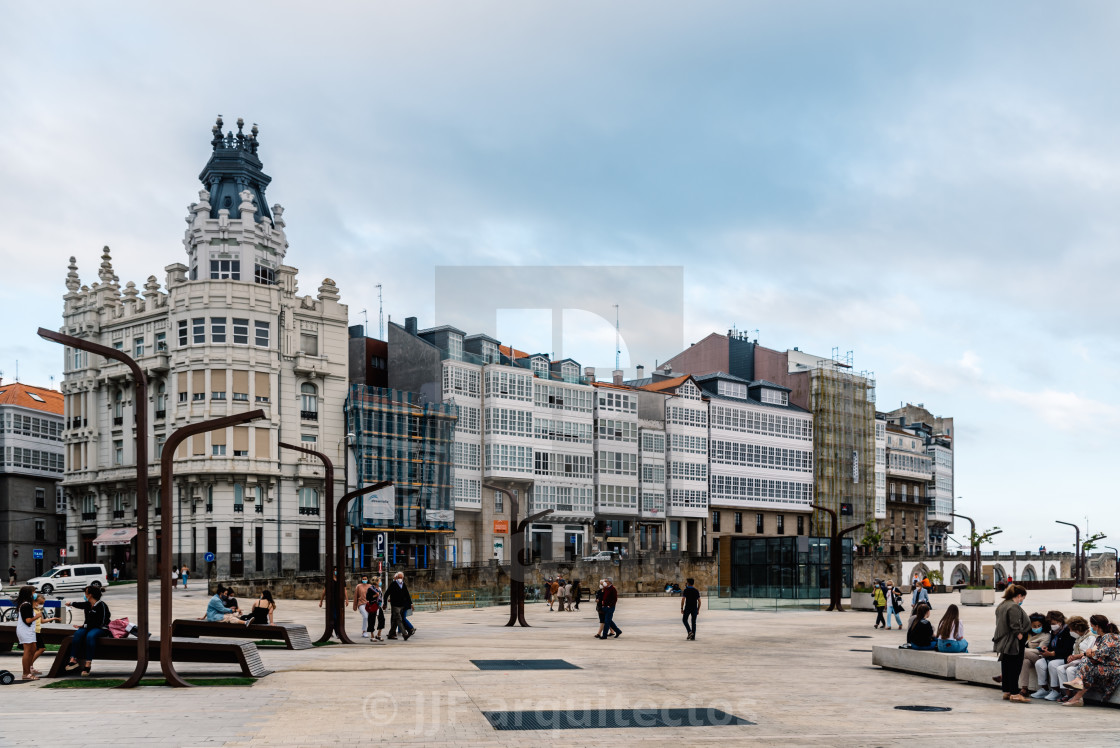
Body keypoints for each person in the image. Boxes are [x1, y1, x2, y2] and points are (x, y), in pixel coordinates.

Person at [1062, 614, 1120, 707]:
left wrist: (1087, 653)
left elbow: (1101, 653)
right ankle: (1077, 696)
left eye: (1092, 626)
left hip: (1113, 668)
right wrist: (1088, 653)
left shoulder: (1111, 637)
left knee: (1087, 664)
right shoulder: (1099, 638)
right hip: (1103, 666)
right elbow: (1094, 654)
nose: (1091, 628)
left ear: (1097, 626)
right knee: (1087, 666)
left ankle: (1077, 687)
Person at [993, 583, 1031, 703]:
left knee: (1006, 666)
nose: (1022, 600)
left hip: (1004, 641)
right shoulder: (1013, 606)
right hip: (1013, 641)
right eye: (1023, 598)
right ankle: (1015, 693)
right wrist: (1020, 635)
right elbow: (1015, 624)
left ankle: (1007, 691)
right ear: (1019, 595)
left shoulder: (1002, 605)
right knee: (1015, 667)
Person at [64, 584, 112, 677]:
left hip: (101, 628)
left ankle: (88, 663)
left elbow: (101, 622)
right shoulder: (87, 604)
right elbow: (80, 605)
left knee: (90, 636)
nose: (84, 595)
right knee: (78, 633)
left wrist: (84, 625)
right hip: (88, 627)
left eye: (85, 593)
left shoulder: (102, 606)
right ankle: (73, 659)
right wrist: (70, 603)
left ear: (90, 595)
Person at [1032, 610, 1074, 700]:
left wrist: (1052, 653)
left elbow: (1067, 649)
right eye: (1051, 623)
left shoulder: (1067, 631)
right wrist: (1047, 649)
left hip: (1063, 657)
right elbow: (1052, 646)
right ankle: (1044, 688)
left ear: (1060, 622)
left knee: (1053, 664)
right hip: (1052, 656)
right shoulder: (1053, 633)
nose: (1053, 625)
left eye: (1055, 623)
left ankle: (1056, 690)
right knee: (1039, 663)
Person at [1051, 616, 1093, 698]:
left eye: (1071, 629)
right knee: (1060, 668)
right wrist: (1071, 657)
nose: (1070, 632)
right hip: (1076, 661)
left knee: (1070, 670)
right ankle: (1067, 693)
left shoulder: (1090, 637)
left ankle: (1075, 694)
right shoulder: (1078, 638)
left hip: (1084, 663)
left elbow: (1088, 653)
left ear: (1077, 630)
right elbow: (1075, 651)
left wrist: (1076, 657)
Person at [15, 586, 40, 680]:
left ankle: (28, 670)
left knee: (33, 648)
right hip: (25, 631)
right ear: (29, 593)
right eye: (34, 592)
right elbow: (28, 620)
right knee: (28, 651)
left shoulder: (27, 604)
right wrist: (37, 616)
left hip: (29, 631)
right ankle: (26, 673)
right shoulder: (26, 605)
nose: (35, 594)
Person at [384, 572, 414, 641]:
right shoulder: (393, 584)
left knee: (395, 620)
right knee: (399, 619)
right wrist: (385, 604)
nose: (400, 579)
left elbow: (407, 595)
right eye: (399, 577)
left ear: (403, 578)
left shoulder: (403, 585)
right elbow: (386, 594)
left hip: (402, 606)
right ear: (396, 578)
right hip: (395, 605)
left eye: (401, 577)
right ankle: (404, 634)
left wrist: (411, 604)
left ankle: (391, 634)